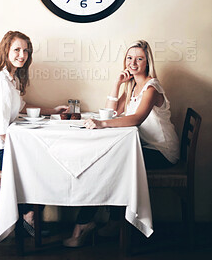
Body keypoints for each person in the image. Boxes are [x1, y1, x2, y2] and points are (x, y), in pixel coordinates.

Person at [63, 39, 179, 247]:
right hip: (143, 146)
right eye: (129, 58)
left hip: (162, 151)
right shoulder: (133, 85)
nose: (133, 62)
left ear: (147, 62)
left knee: (109, 165)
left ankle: (85, 224)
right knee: (108, 162)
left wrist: (103, 124)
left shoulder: (151, 87)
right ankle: (114, 221)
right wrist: (117, 85)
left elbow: (135, 119)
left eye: (139, 59)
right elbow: (112, 112)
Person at [0, 30, 67, 235]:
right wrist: (31, 143)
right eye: (17, 49)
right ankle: (28, 214)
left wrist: (52, 111)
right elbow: (1, 132)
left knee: (45, 159)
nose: (22, 55)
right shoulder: (0, 82)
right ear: (6, 50)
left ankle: (28, 213)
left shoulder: (11, 78)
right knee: (43, 164)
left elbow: (21, 107)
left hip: (0, 150)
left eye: (26, 51)